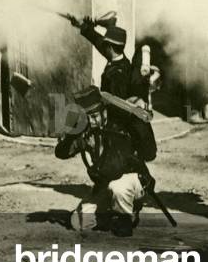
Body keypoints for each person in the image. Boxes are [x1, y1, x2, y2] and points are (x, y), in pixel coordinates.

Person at [55, 91, 152, 236]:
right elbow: (61, 153)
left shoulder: (119, 129)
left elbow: (117, 169)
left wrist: (94, 149)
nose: (92, 121)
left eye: (95, 116)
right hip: (105, 184)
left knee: (118, 187)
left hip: (132, 182)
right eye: (88, 118)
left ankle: (127, 217)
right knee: (78, 222)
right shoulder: (87, 132)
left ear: (104, 113)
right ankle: (111, 214)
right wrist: (72, 134)